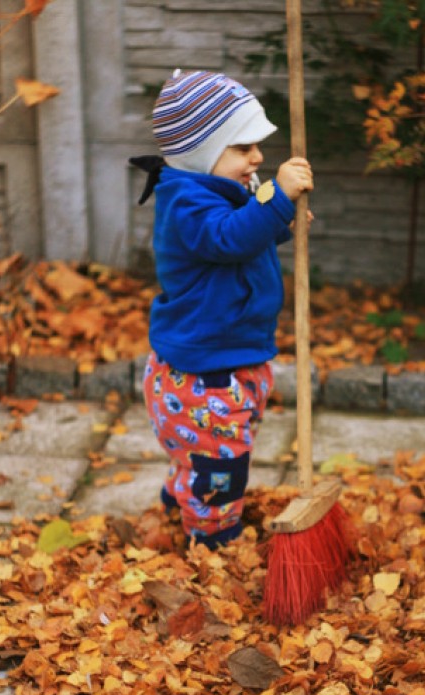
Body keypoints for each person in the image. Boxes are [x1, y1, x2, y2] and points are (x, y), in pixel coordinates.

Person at [130, 69, 313, 550]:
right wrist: (275, 201)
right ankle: (213, 543)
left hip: (231, 361)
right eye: (242, 147)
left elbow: (245, 231)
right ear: (200, 153)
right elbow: (228, 237)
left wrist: (281, 218)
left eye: (257, 145)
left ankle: (181, 498)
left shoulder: (216, 191)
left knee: (213, 450)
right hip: (200, 378)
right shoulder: (186, 202)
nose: (256, 157)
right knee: (220, 466)